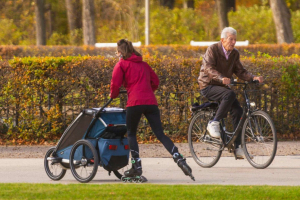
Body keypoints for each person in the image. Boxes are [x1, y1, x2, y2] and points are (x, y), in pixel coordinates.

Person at [110, 39, 194, 181]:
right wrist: (148, 91)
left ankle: (136, 166)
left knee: (131, 133)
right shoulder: (144, 64)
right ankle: (179, 159)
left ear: (120, 52)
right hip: (150, 102)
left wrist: (113, 95)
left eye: (117, 52)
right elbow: (155, 81)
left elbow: (115, 84)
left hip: (134, 103)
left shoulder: (121, 65)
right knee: (160, 134)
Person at [198, 27, 263, 159]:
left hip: (222, 86)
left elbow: (240, 71)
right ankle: (214, 122)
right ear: (222, 40)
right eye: (230, 39)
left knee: (238, 112)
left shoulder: (234, 53)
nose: (233, 42)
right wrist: (221, 78)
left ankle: (237, 147)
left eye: (235, 40)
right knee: (230, 94)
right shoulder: (213, 49)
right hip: (208, 85)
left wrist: (253, 77)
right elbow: (208, 68)